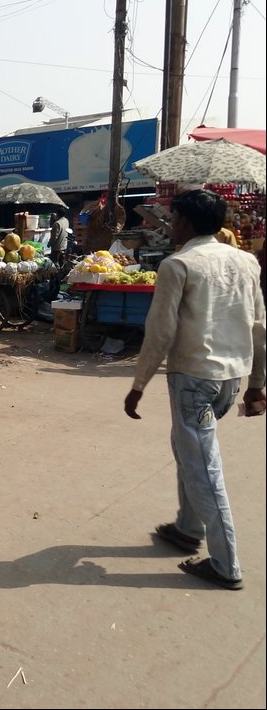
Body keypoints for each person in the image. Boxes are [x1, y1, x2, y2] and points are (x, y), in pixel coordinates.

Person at [123, 189, 265, 591]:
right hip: (229, 381)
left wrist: (139, 384)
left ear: (184, 222)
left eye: (175, 217)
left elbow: (160, 332)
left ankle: (226, 563)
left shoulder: (178, 264)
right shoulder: (246, 261)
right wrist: (256, 384)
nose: (171, 224)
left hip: (193, 380)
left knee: (204, 467)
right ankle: (187, 527)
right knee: (189, 450)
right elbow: (260, 325)